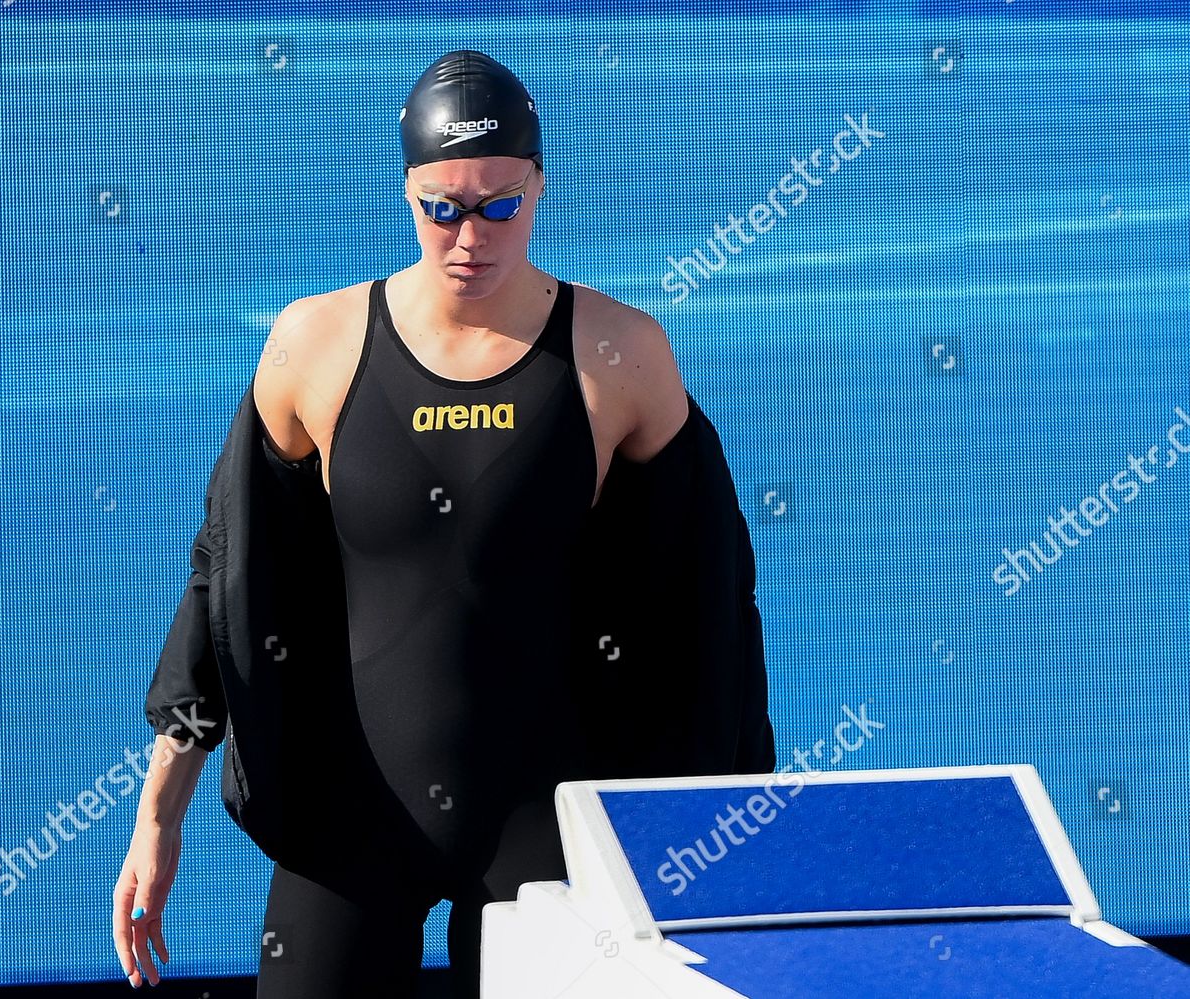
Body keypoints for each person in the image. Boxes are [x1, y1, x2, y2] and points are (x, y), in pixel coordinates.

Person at [113, 50, 775, 998]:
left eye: (500, 204)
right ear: (408, 192)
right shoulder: (317, 347)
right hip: (352, 819)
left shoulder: (618, 356)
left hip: (545, 819)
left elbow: (709, 603)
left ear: (540, 188)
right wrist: (159, 817)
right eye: (444, 208)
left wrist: (730, 825)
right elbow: (227, 581)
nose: (472, 234)